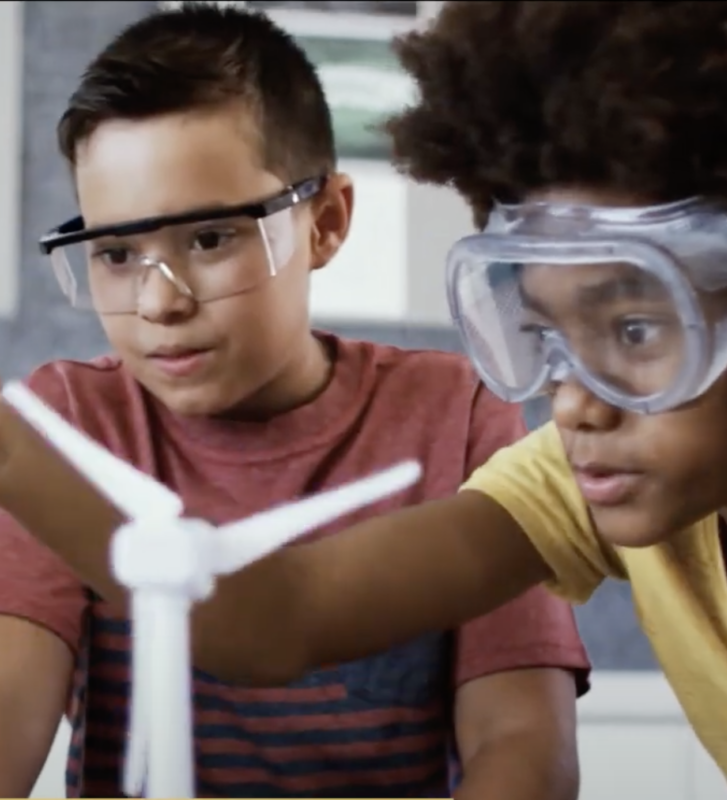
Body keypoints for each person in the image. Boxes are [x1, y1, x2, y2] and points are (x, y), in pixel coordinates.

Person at [0, 3, 593, 798]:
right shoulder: (64, 429)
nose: (160, 303)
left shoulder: (456, 411)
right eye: (114, 253)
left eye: (208, 239)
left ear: (325, 223)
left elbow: (523, 740)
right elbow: (10, 709)